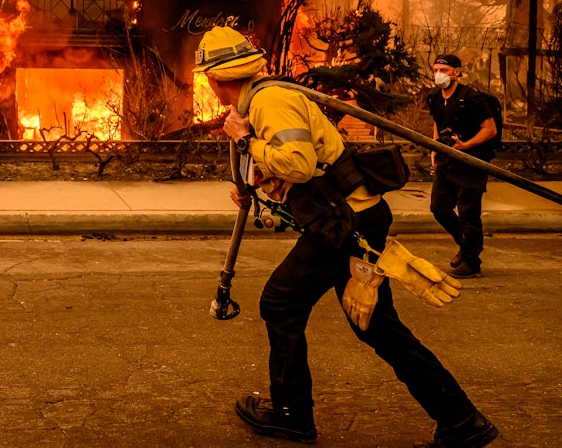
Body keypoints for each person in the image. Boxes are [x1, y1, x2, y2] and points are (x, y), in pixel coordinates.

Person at [193, 26, 498, 447]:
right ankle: (462, 420)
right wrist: (261, 183)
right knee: (376, 326)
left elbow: (297, 164)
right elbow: (305, 167)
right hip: (354, 218)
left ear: (215, 78)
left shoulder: (270, 101)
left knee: (280, 302)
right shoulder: (265, 98)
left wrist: (244, 140)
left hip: (344, 225)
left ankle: (291, 414)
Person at [425, 53, 498, 279]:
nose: (439, 75)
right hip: (446, 162)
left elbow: (490, 129)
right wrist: (434, 148)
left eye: (444, 71)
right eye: (436, 70)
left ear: (457, 72)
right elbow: (438, 124)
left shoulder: (471, 98)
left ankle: (471, 261)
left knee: (468, 213)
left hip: (471, 163)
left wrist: (466, 145)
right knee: (439, 208)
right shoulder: (435, 97)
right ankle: (466, 246)